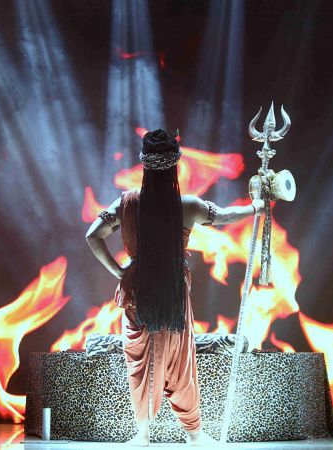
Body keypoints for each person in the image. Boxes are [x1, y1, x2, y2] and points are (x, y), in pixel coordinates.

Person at [85, 129, 265, 446]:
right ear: (174, 168)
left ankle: (144, 435)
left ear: (145, 165)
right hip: (170, 293)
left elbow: (93, 235)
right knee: (180, 362)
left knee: (141, 364)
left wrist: (120, 271)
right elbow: (225, 216)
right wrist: (257, 207)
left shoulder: (126, 204)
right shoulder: (187, 206)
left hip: (139, 292)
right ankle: (193, 434)